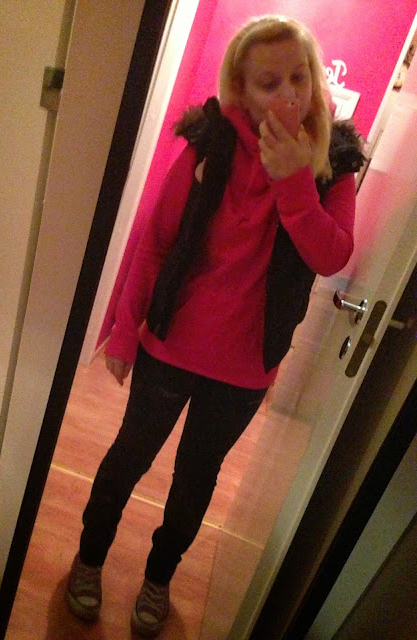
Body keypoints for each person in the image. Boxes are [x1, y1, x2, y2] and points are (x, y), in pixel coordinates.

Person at [66, 14, 364, 638]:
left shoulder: (333, 160)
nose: (288, 93)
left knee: (194, 483)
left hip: (245, 369)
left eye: (298, 76)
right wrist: (123, 333)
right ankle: (89, 559)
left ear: (314, 78)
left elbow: (331, 254)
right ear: (240, 90)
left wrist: (294, 181)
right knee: (126, 461)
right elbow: (155, 241)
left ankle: (159, 578)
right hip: (170, 344)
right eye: (268, 83)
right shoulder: (210, 143)